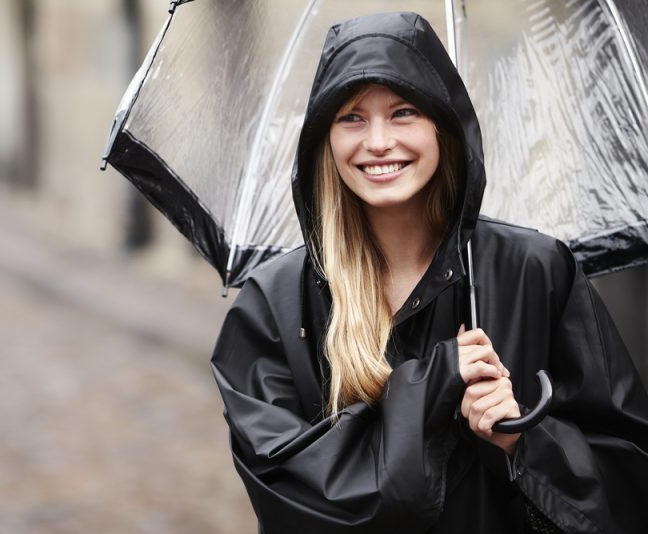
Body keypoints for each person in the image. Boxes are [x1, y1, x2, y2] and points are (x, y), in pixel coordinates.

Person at [210, 11, 648, 534]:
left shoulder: (535, 271)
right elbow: (293, 492)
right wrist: (438, 382)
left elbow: (626, 478)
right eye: (351, 117)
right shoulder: (275, 303)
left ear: (444, 127)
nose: (377, 142)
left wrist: (521, 441)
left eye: (403, 112)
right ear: (324, 139)